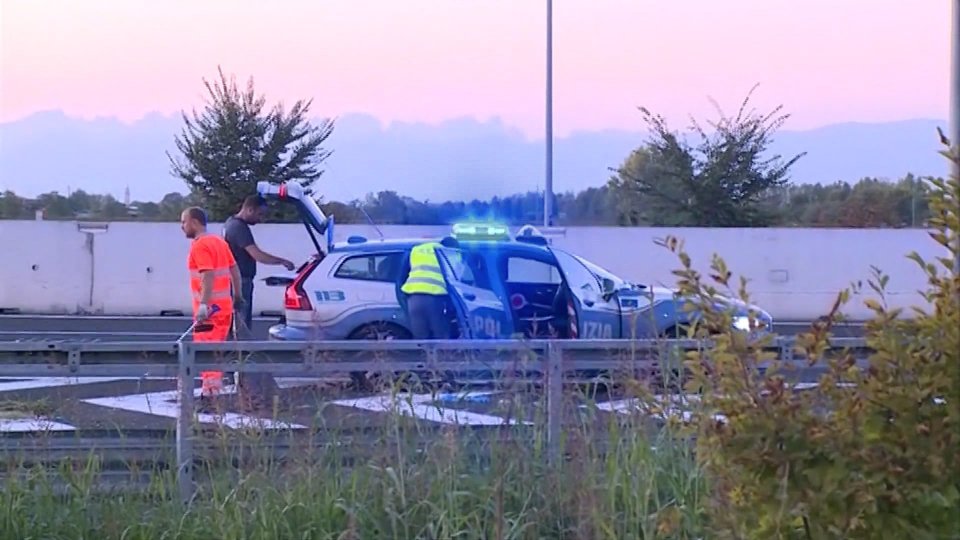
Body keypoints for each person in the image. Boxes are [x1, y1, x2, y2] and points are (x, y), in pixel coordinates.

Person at [180, 206, 242, 397]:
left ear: (195, 222)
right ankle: (212, 391)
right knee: (216, 350)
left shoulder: (200, 245)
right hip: (224, 309)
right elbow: (234, 270)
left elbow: (208, 275)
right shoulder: (219, 242)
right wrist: (238, 296)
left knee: (207, 353)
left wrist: (204, 305)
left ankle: (211, 395)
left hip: (209, 312)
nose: (182, 226)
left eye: (184, 222)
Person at [222, 195, 295, 336]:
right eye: (259, 214)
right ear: (249, 210)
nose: (260, 219)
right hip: (240, 280)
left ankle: (233, 353)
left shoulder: (229, 223)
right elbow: (257, 255)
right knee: (241, 323)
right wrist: (282, 261)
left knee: (234, 321)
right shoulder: (239, 228)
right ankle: (241, 354)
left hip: (233, 279)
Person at [400, 237, 459, 339]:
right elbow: (455, 281)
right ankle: (441, 355)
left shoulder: (416, 250)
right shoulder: (451, 254)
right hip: (435, 298)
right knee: (441, 334)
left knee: (420, 335)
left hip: (413, 298)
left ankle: (424, 354)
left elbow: (401, 276)